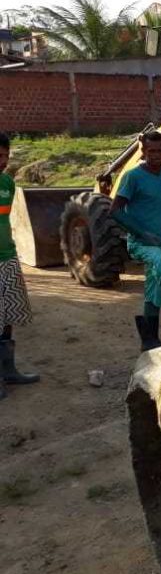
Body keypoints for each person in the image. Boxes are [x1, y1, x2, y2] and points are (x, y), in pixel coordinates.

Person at [109, 131, 161, 350]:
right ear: (143, 151)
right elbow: (114, 211)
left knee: (154, 293)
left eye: (159, 151)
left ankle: (149, 340)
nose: (155, 155)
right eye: (150, 151)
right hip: (141, 243)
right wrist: (142, 234)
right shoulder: (132, 177)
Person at [0, 132, 40, 400]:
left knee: (9, 317)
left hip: (7, 257)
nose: (2, 160)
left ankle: (8, 370)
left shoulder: (7, 183)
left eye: (5, 155)